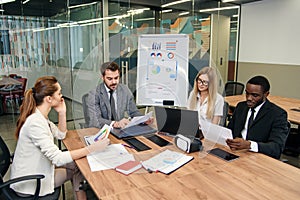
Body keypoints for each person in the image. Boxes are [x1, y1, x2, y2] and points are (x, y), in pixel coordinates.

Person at [10, 76, 109, 199]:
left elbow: (61, 134)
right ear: (49, 99)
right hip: (30, 184)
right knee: (79, 169)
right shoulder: (35, 123)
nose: (62, 96)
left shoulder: (40, 117)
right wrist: (92, 148)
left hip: (38, 170)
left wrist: (62, 113)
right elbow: (58, 158)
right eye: (59, 93)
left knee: (77, 164)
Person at [226, 75, 288, 159]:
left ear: (266, 94)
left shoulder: (277, 114)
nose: (249, 98)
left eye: (255, 95)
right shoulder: (241, 106)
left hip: (258, 158)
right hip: (235, 153)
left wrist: (250, 145)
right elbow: (229, 130)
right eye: (247, 93)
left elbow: (276, 148)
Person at [87, 61, 150, 129]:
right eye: (110, 79)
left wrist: (143, 119)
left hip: (120, 130)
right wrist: (114, 123)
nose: (114, 82)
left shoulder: (124, 90)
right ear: (103, 77)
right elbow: (95, 120)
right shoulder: (94, 94)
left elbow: (134, 112)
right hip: (100, 130)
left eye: (116, 78)